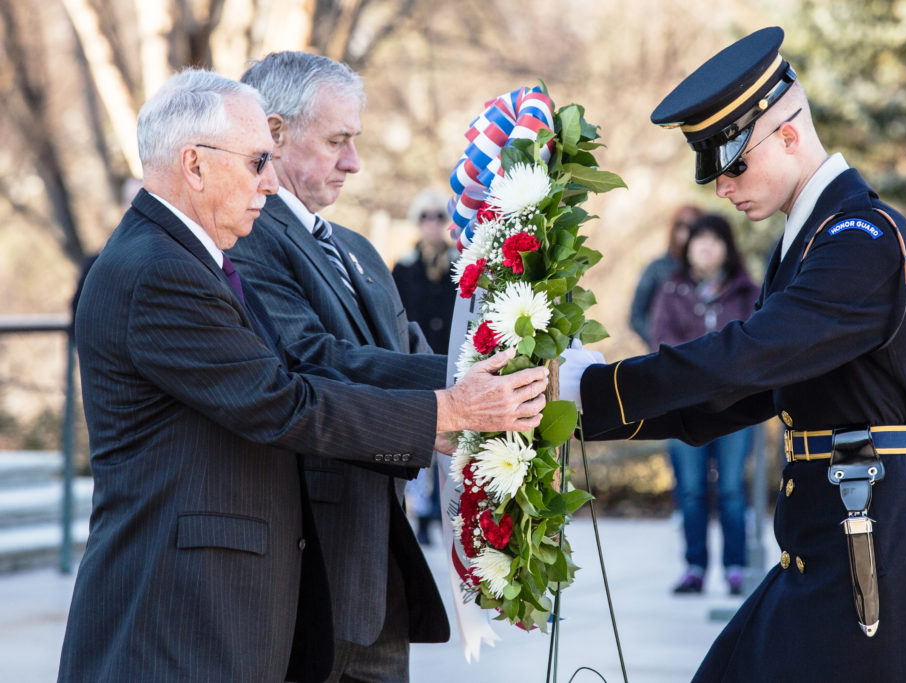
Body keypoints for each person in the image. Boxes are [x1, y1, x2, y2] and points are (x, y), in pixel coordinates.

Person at [58, 68, 548, 683]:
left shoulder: (185, 257)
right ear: (194, 165)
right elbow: (281, 402)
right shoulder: (159, 270)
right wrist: (449, 413)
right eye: (258, 158)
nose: (270, 178)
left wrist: (457, 405)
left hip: (214, 610)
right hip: (176, 615)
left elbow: (305, 374)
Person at [560, 27, 906, 682]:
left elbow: (746, 358)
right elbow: (737, 394)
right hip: (829, 542)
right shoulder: (808, 241)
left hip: (868, 548)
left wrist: (594, 388)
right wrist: (583, 411)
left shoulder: (860, 237)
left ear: (789, 135)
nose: (723, 189)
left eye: (734, 165)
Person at [228, 53, 453, 682]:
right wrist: (468, 386)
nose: (353, 162)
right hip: (305, 575)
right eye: (337, 141)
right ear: (273, 133)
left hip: (378, 575)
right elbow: (313, 361)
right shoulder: (247, 236)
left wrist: (497, 366)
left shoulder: (355, 247)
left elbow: (405, 353)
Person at [646, 213, 759, 595]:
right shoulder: (670, 290)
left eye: (714, 239)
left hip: (737, 410)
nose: (706, 246)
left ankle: (735, 569)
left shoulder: (747, 292)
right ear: (688, 247)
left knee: (730, 488)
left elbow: (757, 344)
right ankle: (694, 566)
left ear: (728, 246)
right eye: (699, 239)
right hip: (683, 410)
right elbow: (662, 343)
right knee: (691, 489)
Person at [392, 188, 460, 546]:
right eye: (425, 216)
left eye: (439, 216)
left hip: (453, 361)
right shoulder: (403, 267)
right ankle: (420, 514)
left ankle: (442, 512)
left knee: (450, 444)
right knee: (421, 439)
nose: (432, 223)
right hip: (417, 363)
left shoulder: (460, 264)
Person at [628, 204, 702, 342]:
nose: (684, 233)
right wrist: (661, 342)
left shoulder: (709, 272)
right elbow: (636, 316)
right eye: (681, 226)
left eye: (691, 227)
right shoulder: (656, 269)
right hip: (664, 355)